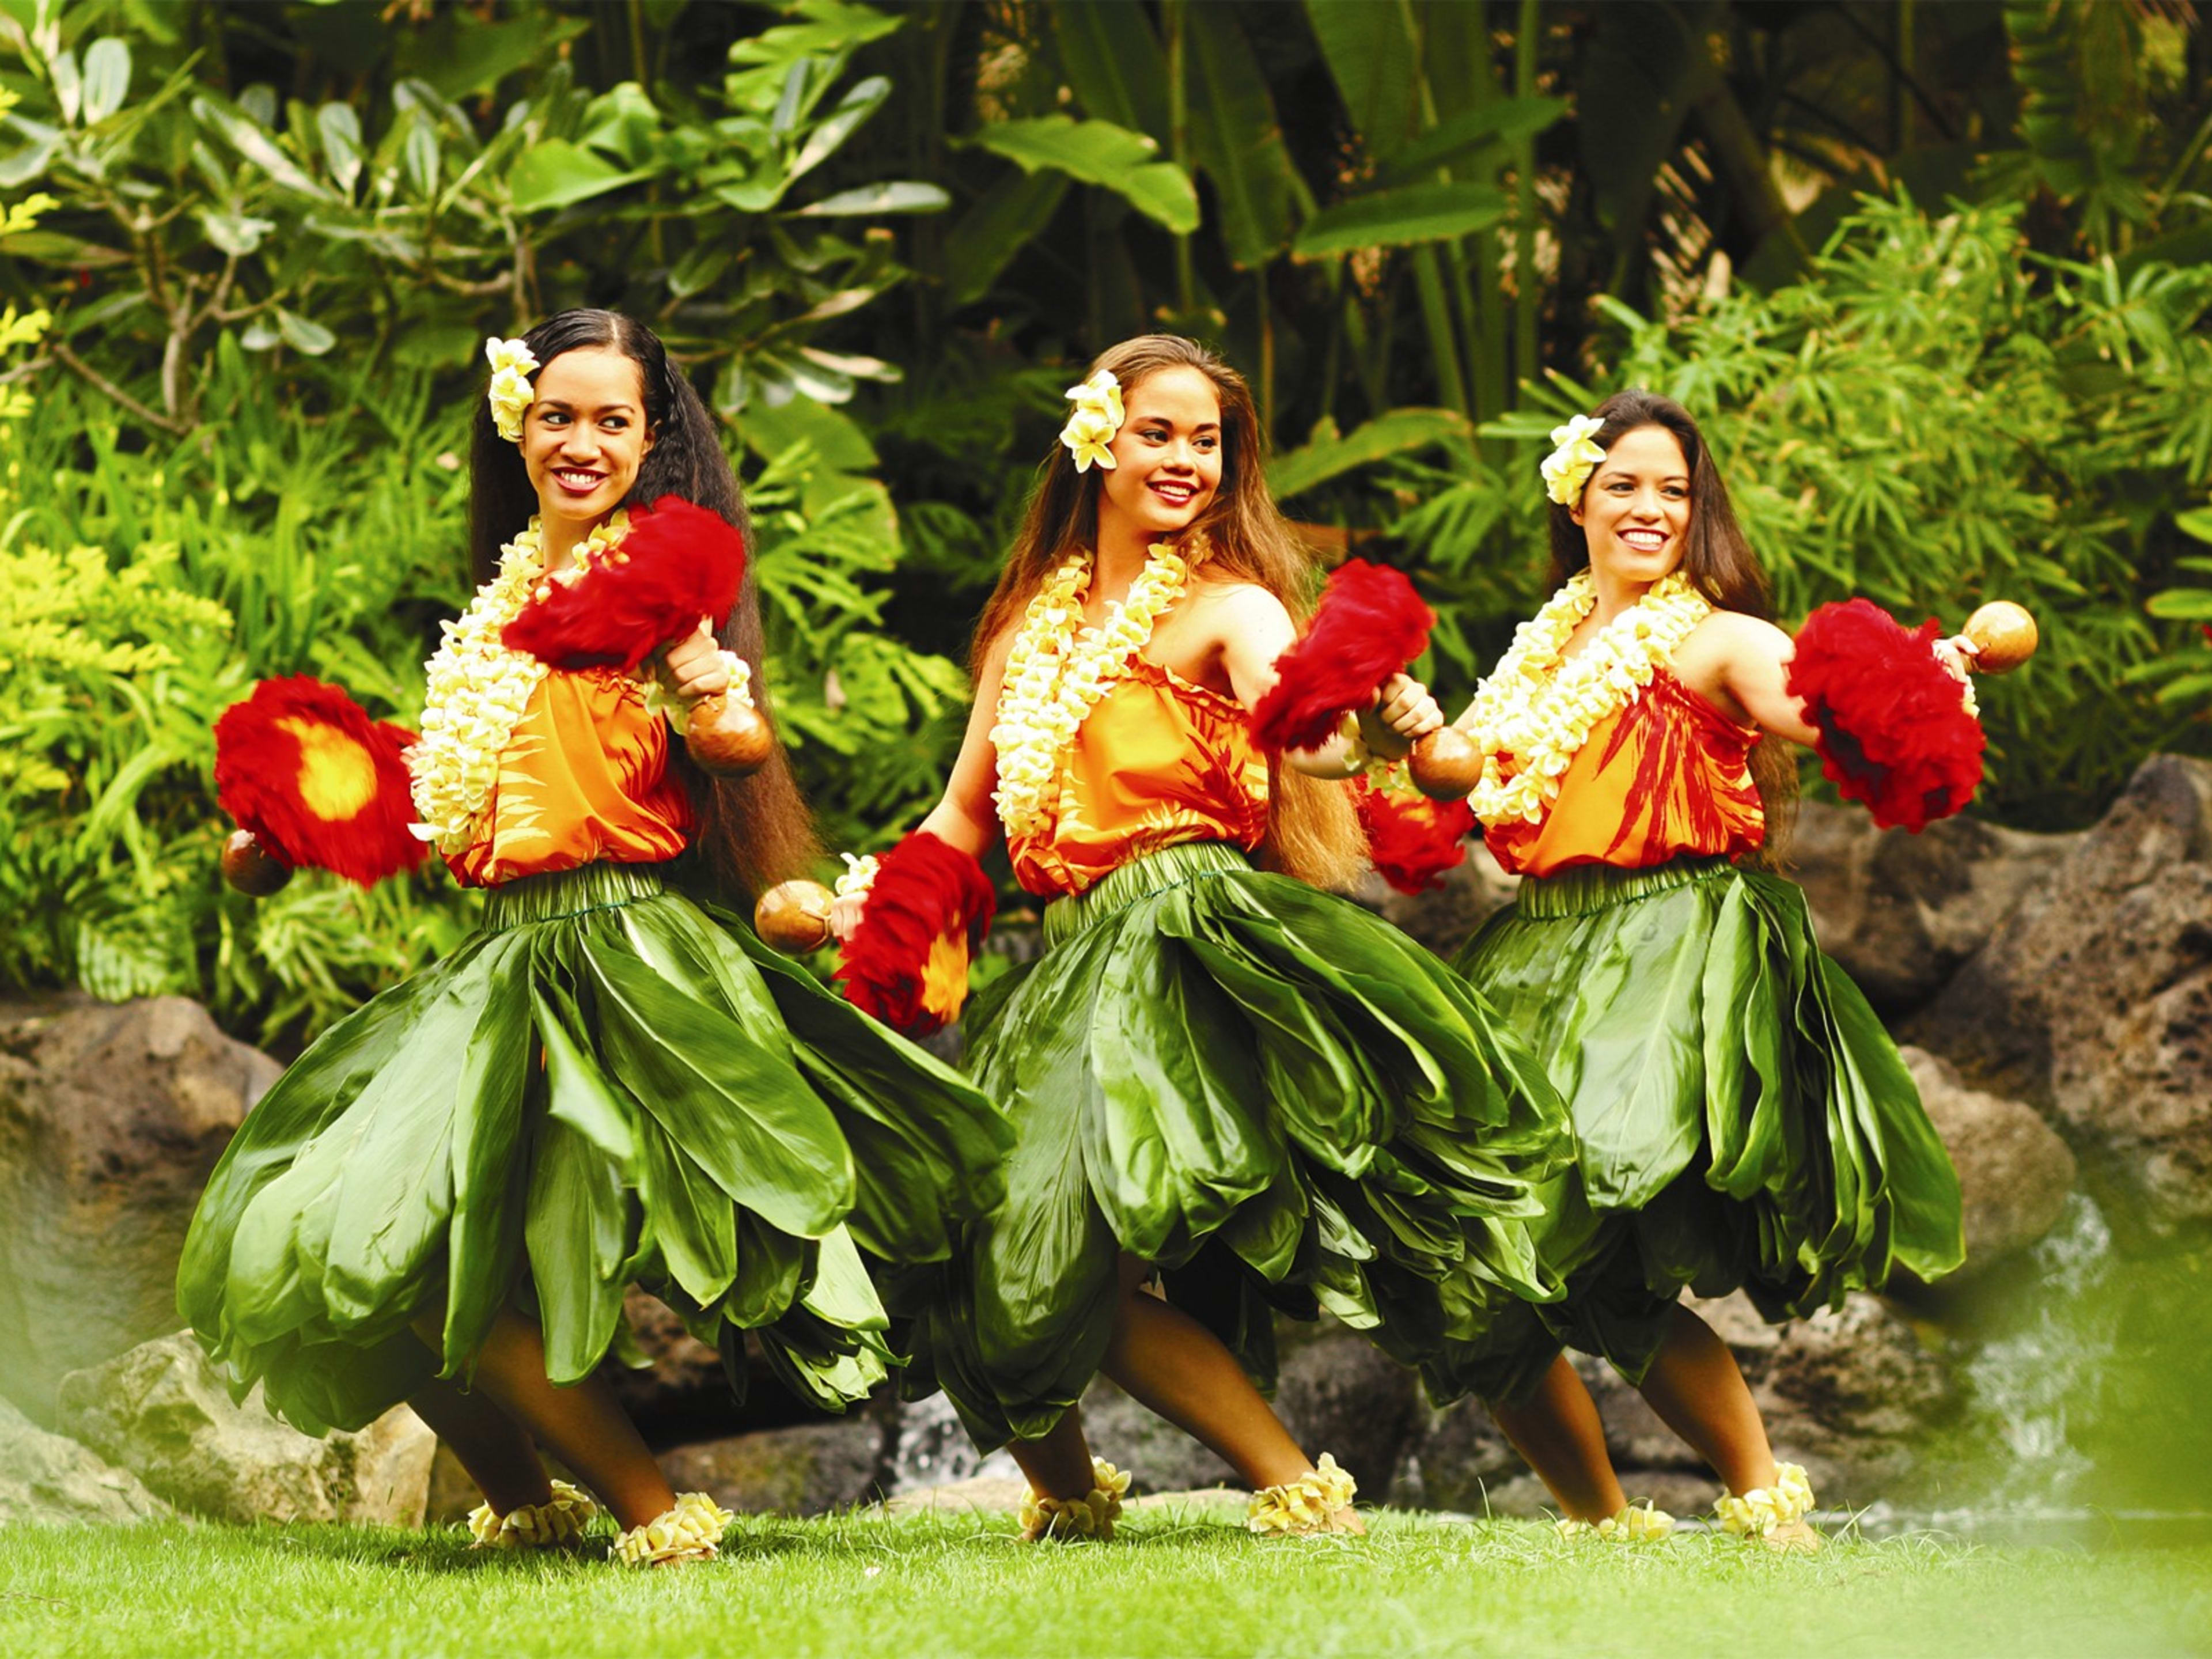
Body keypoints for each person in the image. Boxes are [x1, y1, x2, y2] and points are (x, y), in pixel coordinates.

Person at [178, 310, 1009, 1566]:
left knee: (466, 1253)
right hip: (505, 962)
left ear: (650, 436)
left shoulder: (657, 585)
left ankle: (659, 1516)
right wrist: (301, 821)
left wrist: (712, 697)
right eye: (556, 415)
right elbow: (464, 791)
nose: (581, 441)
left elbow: (729, 743)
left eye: (612, 419)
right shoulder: (498, 603)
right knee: (366, 1249)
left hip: (625, 962)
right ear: (516, 424)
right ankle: (529, 1508)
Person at [832, 335, 1570, 1540]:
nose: (1185, 460)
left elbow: (1306, 734)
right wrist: (885, 904)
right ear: (1096, 443)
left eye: (1208, 441)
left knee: (1413, 1237)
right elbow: (965, 813)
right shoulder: (1028, 633)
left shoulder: (1232, 607)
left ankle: (1311, 1490)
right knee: (990, 1247)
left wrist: (1369, 727)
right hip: (1071, 962)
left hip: (1192, 938)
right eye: (1158, 433)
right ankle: (1072, 1501)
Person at [1426, 388, 1966, 1548]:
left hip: (1665, 956)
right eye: (1623, 484)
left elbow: (1809, 707)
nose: (1650, 508)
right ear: (1575, 498)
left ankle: (1764, 1501)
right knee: (1476, 1265)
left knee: (1575, 1244)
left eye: (1674, 490)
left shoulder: (1717, 636)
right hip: (1538, 952)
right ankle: (1604, 1526)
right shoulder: (1540, 653)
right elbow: (1462, 782)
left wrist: (1918, 684)